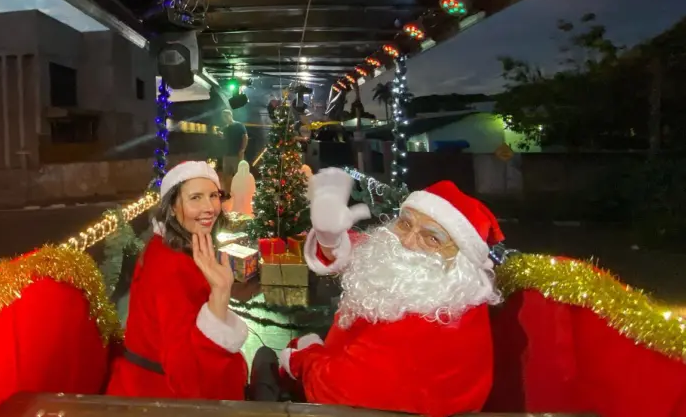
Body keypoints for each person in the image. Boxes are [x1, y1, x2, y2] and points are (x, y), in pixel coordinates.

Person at [273, 169, 505, 417]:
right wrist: (330, 238)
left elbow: (337, 392)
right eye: (405, 224)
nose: (406, 242)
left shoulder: (438, 320)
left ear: (461, 259)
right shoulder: (439, 286)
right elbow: (369, 255)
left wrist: (303, 356)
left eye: (431, 239)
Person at [106, 161, 249, 400]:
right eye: (195, 198)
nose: (209, 208)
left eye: (213, 195)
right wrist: (220, 294)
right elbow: (188, 379)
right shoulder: (172, 267)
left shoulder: (168, 246)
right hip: (158, 397)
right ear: (172, 207)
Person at [220, 109, 248, 190]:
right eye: (223, 117)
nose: (224, 118)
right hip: (227, 155)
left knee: (238, 175)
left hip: (237, 155)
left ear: (230, 115)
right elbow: (226, 138)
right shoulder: (225, 128)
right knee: (226, 175)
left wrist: (242, 150)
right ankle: (227, 192)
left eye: (225, 116)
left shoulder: (239, 125)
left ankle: (240, 191)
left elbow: (245, 137)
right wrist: (222, 136)